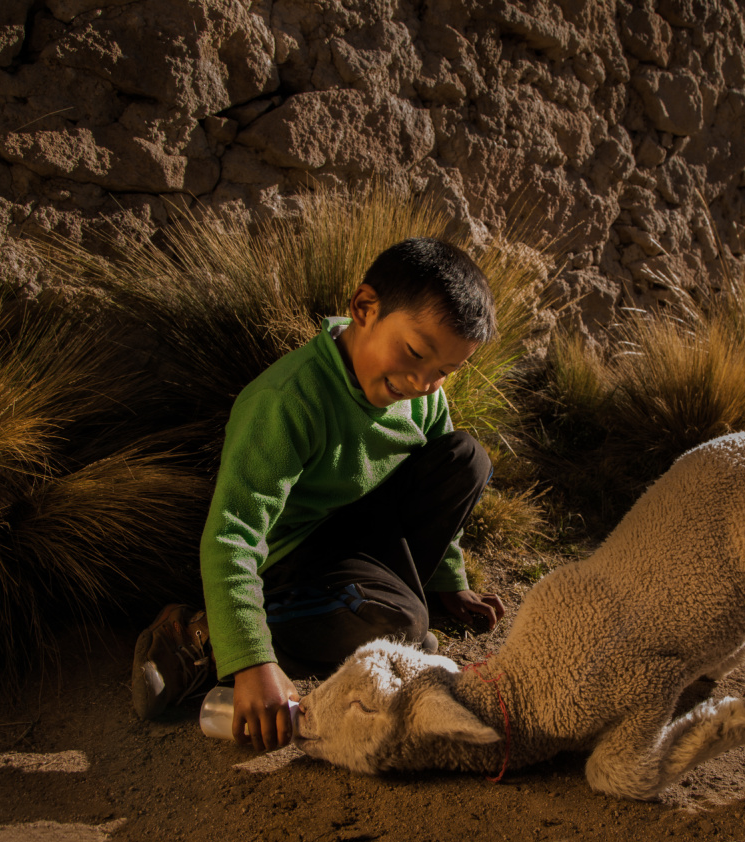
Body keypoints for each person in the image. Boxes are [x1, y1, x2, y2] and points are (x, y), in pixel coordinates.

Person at [131, 237, 506, 751]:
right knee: (403, 626)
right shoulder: (288, 401)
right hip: (290, 562)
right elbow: (230, 536)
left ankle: (387, 607)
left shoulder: (424, 398)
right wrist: (254, 663)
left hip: (359, 534)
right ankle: (203, 638)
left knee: (467, 458)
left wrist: (450, 581)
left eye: (443, 370)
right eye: (416, 352)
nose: (424, 382)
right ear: (364, 309)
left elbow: (437, 484)